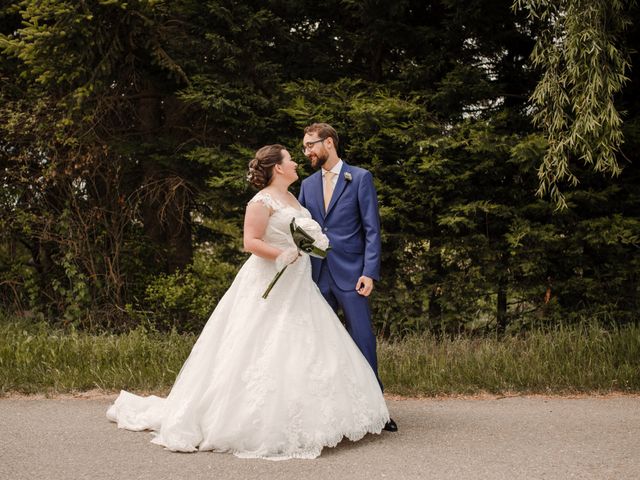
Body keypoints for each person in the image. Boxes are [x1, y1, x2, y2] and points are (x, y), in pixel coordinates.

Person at [106, 144, 390, 460]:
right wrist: (284, 254)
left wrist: (307, 248)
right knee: (260, 343)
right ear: (278, 168)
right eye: (290, 159)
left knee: (308, 345)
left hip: (297, 283)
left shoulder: (293, 198)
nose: (296, 162)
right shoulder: (260, 200)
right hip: (269, 279)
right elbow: (250, 242)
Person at [298, 123, 397, 432]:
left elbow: (372, 230)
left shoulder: (360, 178)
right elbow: (302, 228)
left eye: (311, 145)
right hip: (317, 276)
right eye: (304, 147)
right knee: (320, 344)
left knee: (363, 339)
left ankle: (377, 411)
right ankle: (328, 414)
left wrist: (369, 272)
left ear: (329, 143)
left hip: (353, 274)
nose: (307, 152)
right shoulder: (307, 184)